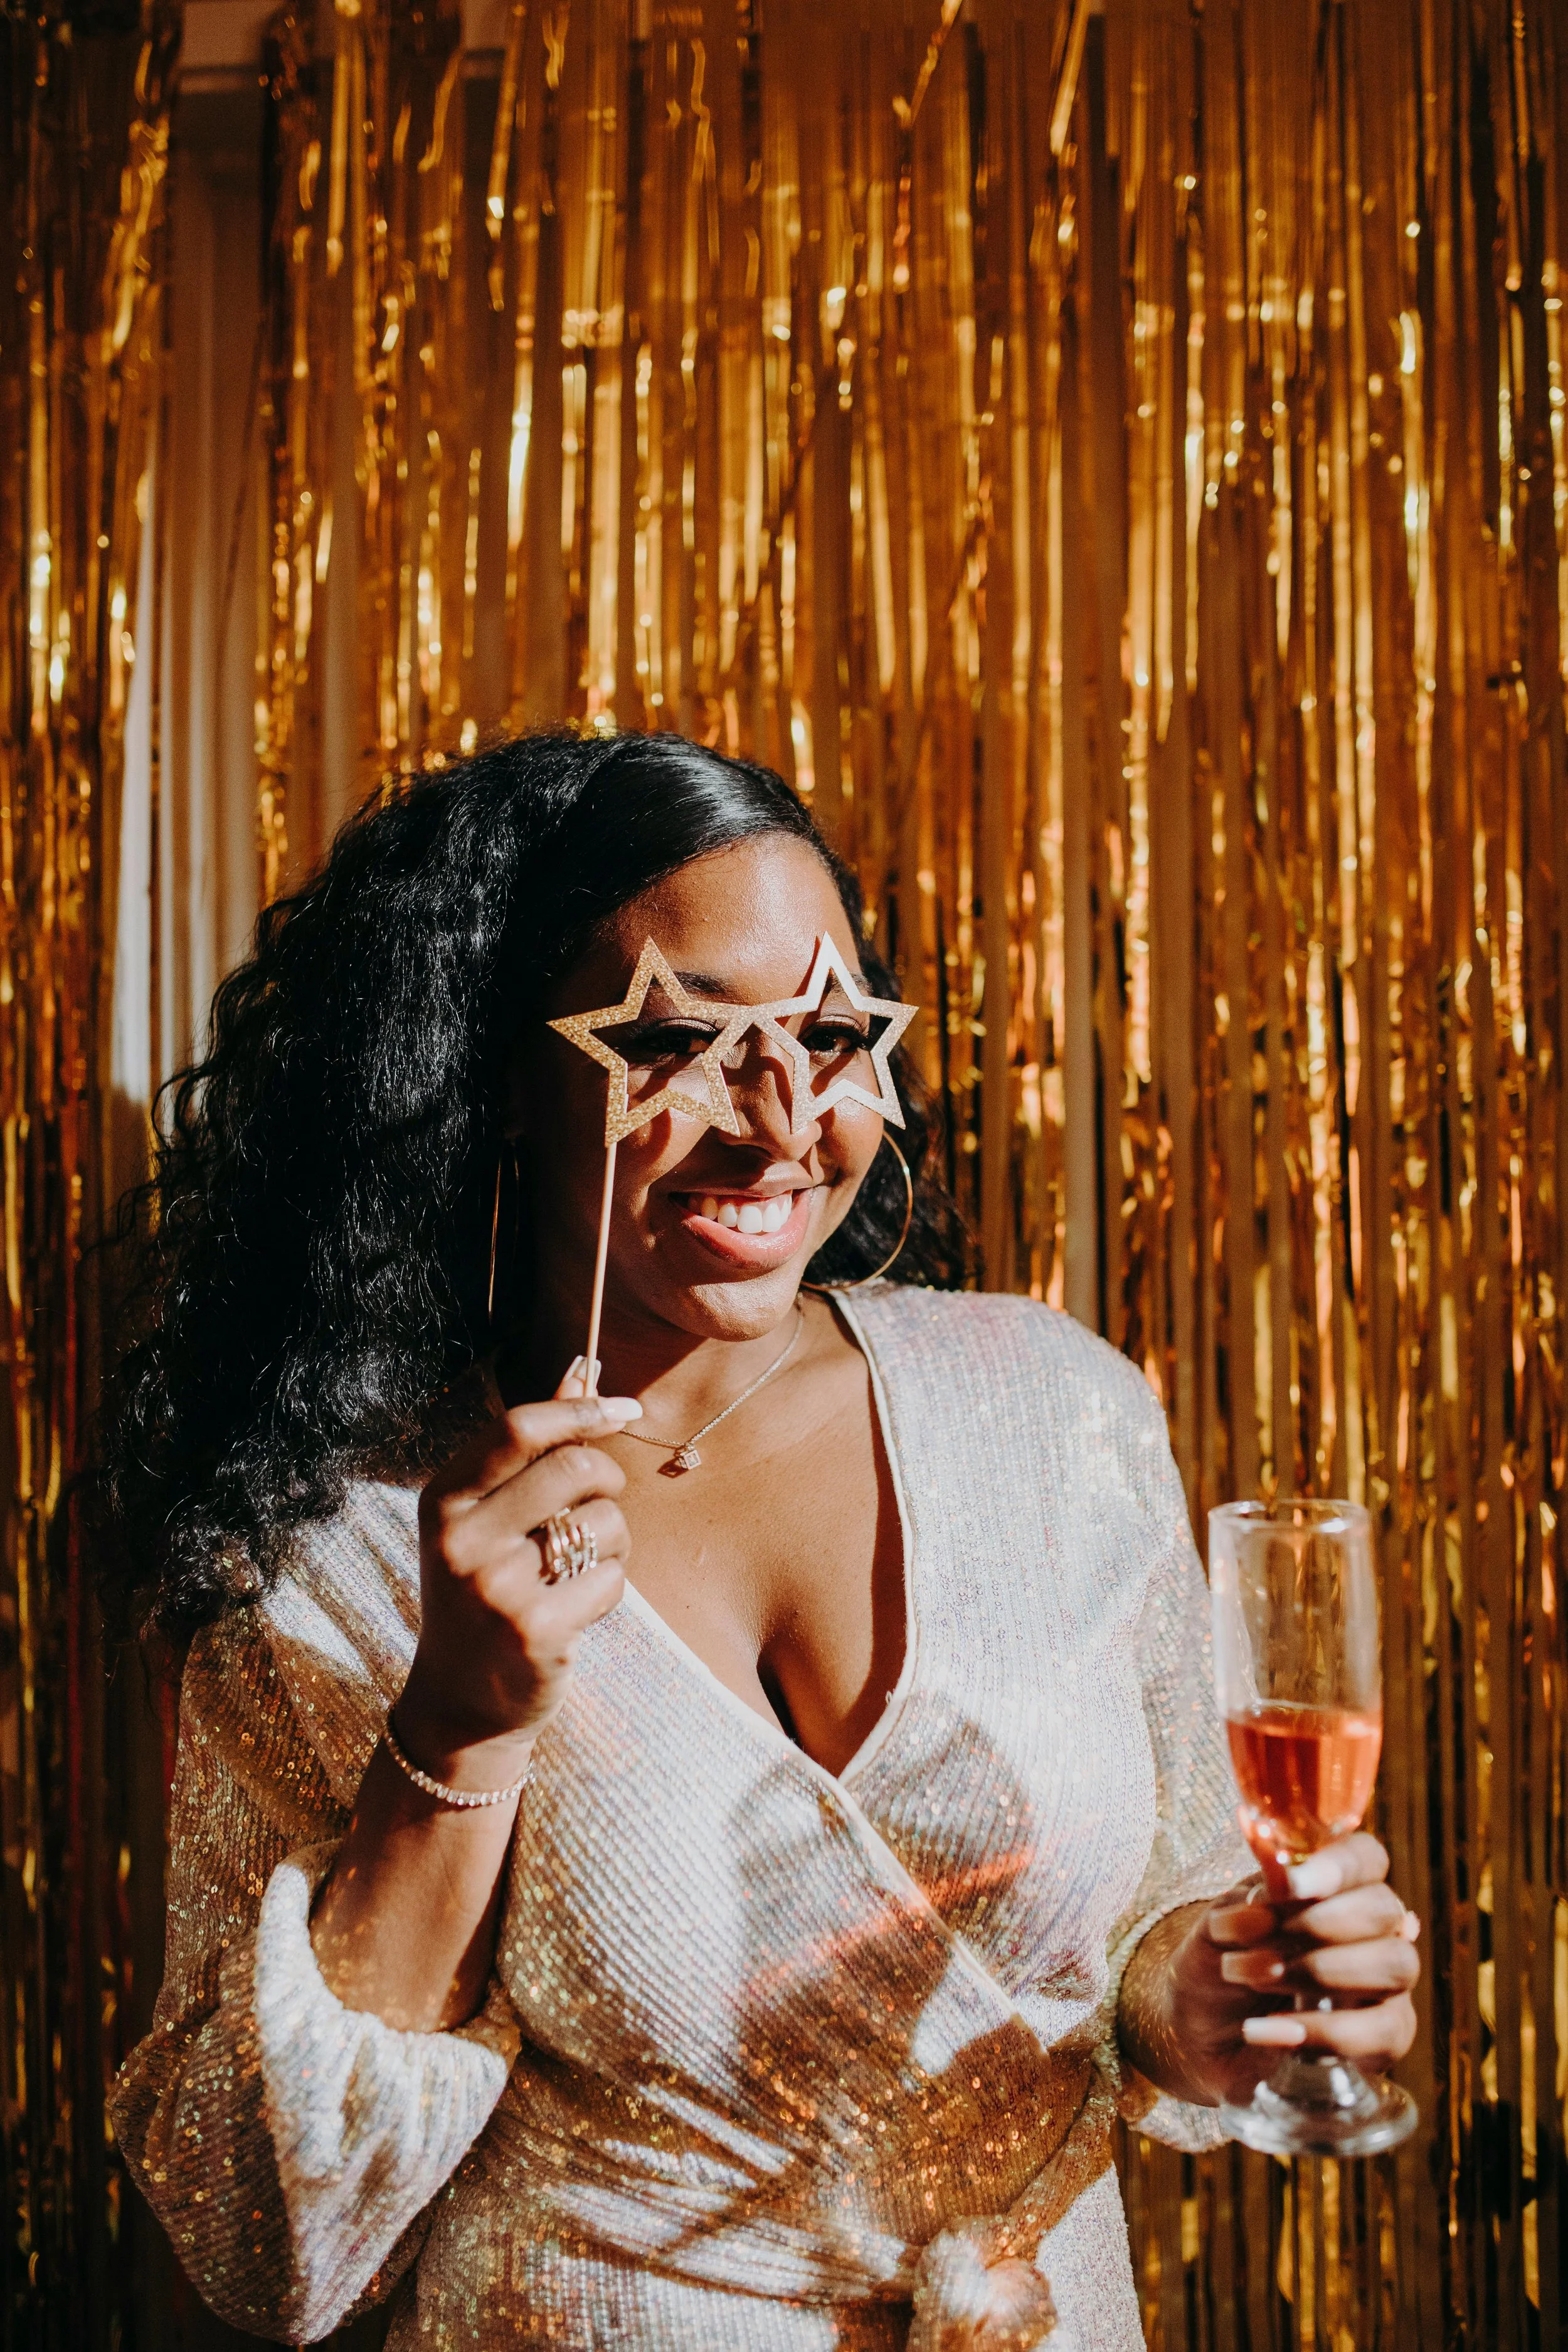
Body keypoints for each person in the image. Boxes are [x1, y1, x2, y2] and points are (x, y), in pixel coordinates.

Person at [100, 733, 1419, 2349]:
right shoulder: (343, 1554)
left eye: (826, 1033)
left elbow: (1164, 1915)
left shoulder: (1058, 1413)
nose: (781, 1116)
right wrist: (459, 1723)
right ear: (501, 1078)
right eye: (678, 1038)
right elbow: (257, 2232)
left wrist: (1202, 2001)